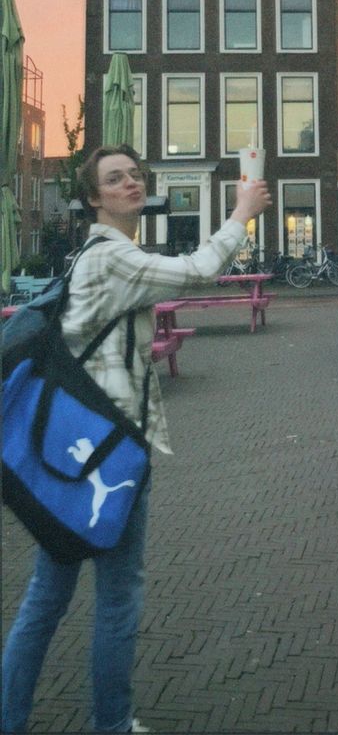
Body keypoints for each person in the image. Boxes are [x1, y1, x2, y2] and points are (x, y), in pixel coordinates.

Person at [2, 144, 271, 735]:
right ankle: (112, 723)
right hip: (111, 448)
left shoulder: (95, 256)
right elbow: (200, 271)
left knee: (47, 597)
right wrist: (241, 213)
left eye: (135, 176)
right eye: (115, 179)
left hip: (74, 448)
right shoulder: (113, 258)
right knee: (118, 597)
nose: (130, 184)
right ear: (94, 197)